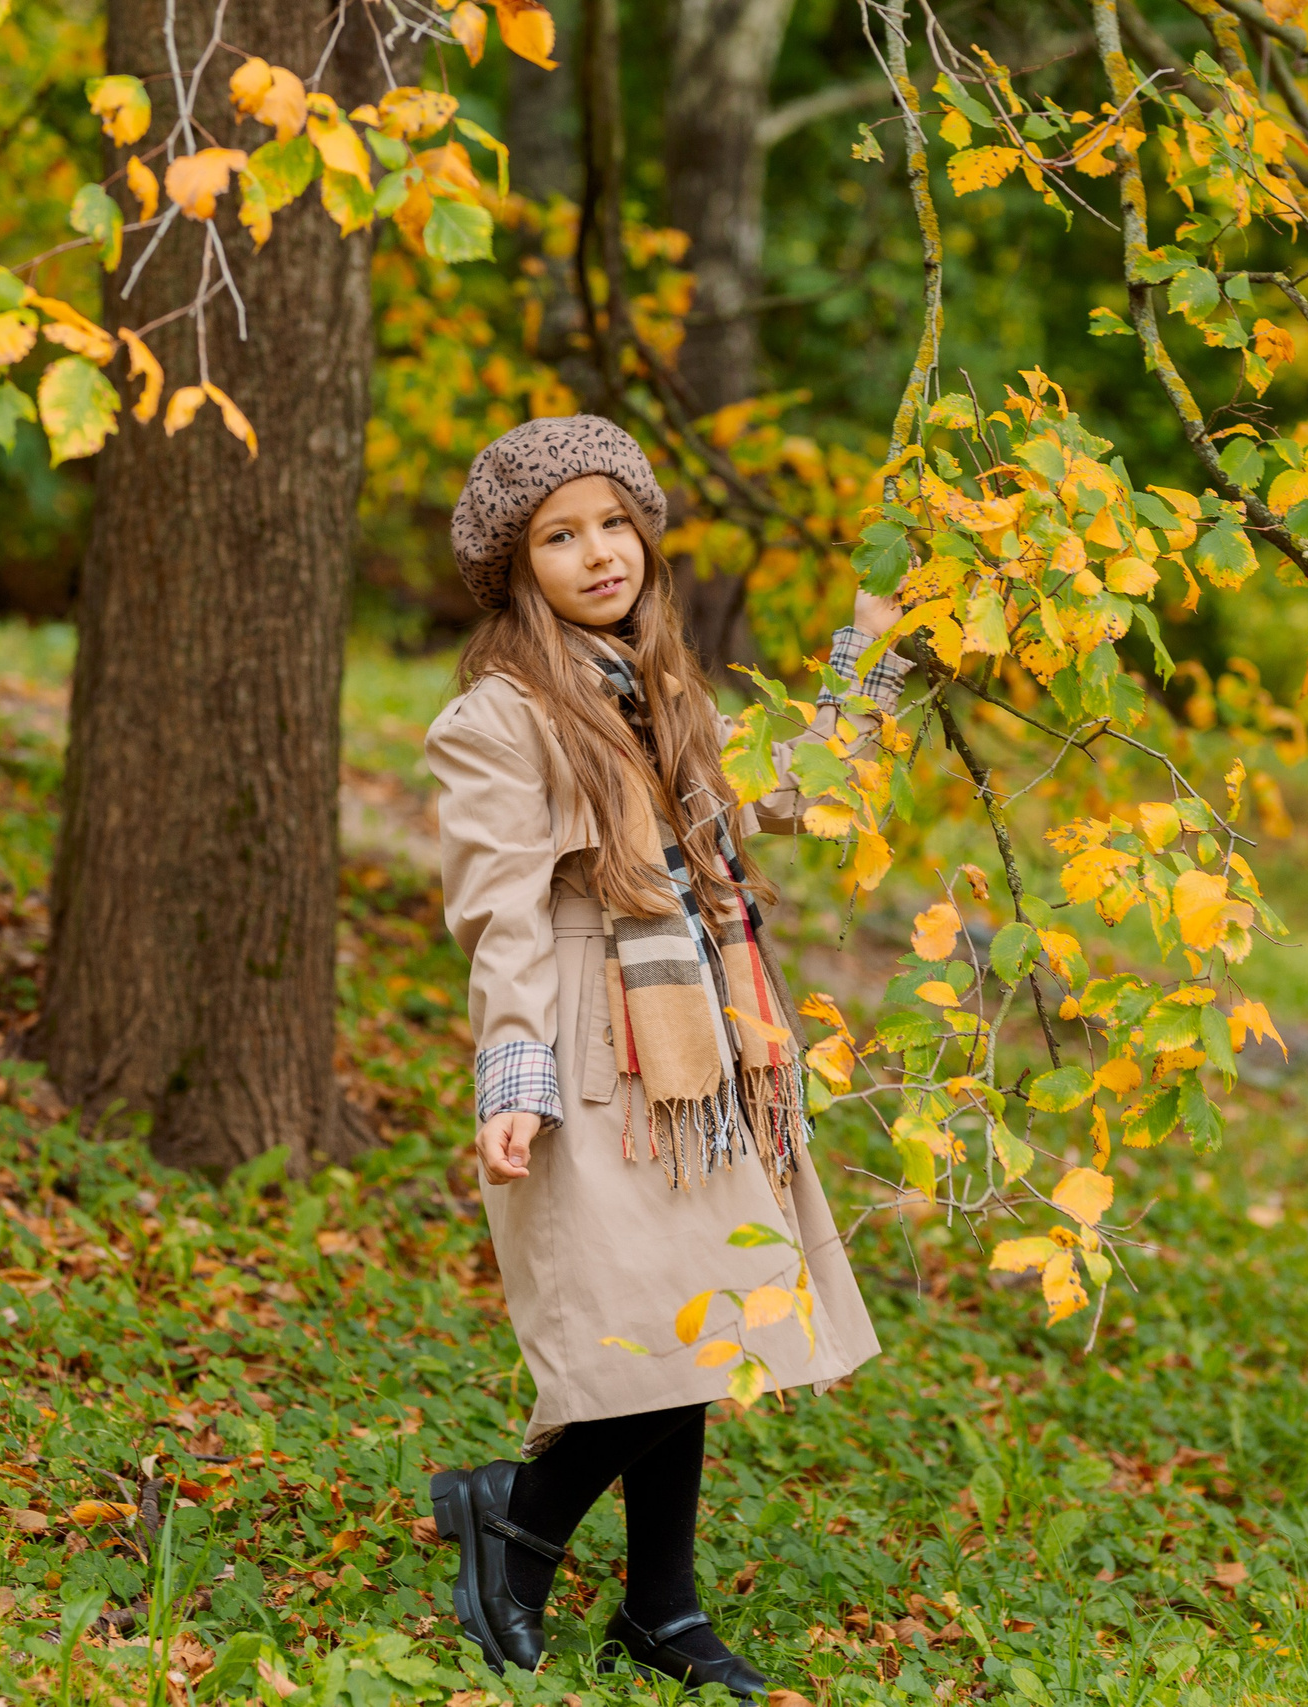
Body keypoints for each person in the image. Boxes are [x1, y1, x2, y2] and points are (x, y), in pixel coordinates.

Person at [422, 416, 908, 1698]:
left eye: (612, 524)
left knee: (691, 1315)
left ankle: (646, 1600)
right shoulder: (500, 718)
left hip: (697, 1039)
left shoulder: (670, 695)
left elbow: (787, 794)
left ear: (643, 532)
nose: (597, 554)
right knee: (660, 1322)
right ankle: (525, 1532)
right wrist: (514, 1077)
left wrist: (872, 652)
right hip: (598, 1051)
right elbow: (499, 911)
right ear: (518, 569)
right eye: (558, 536)